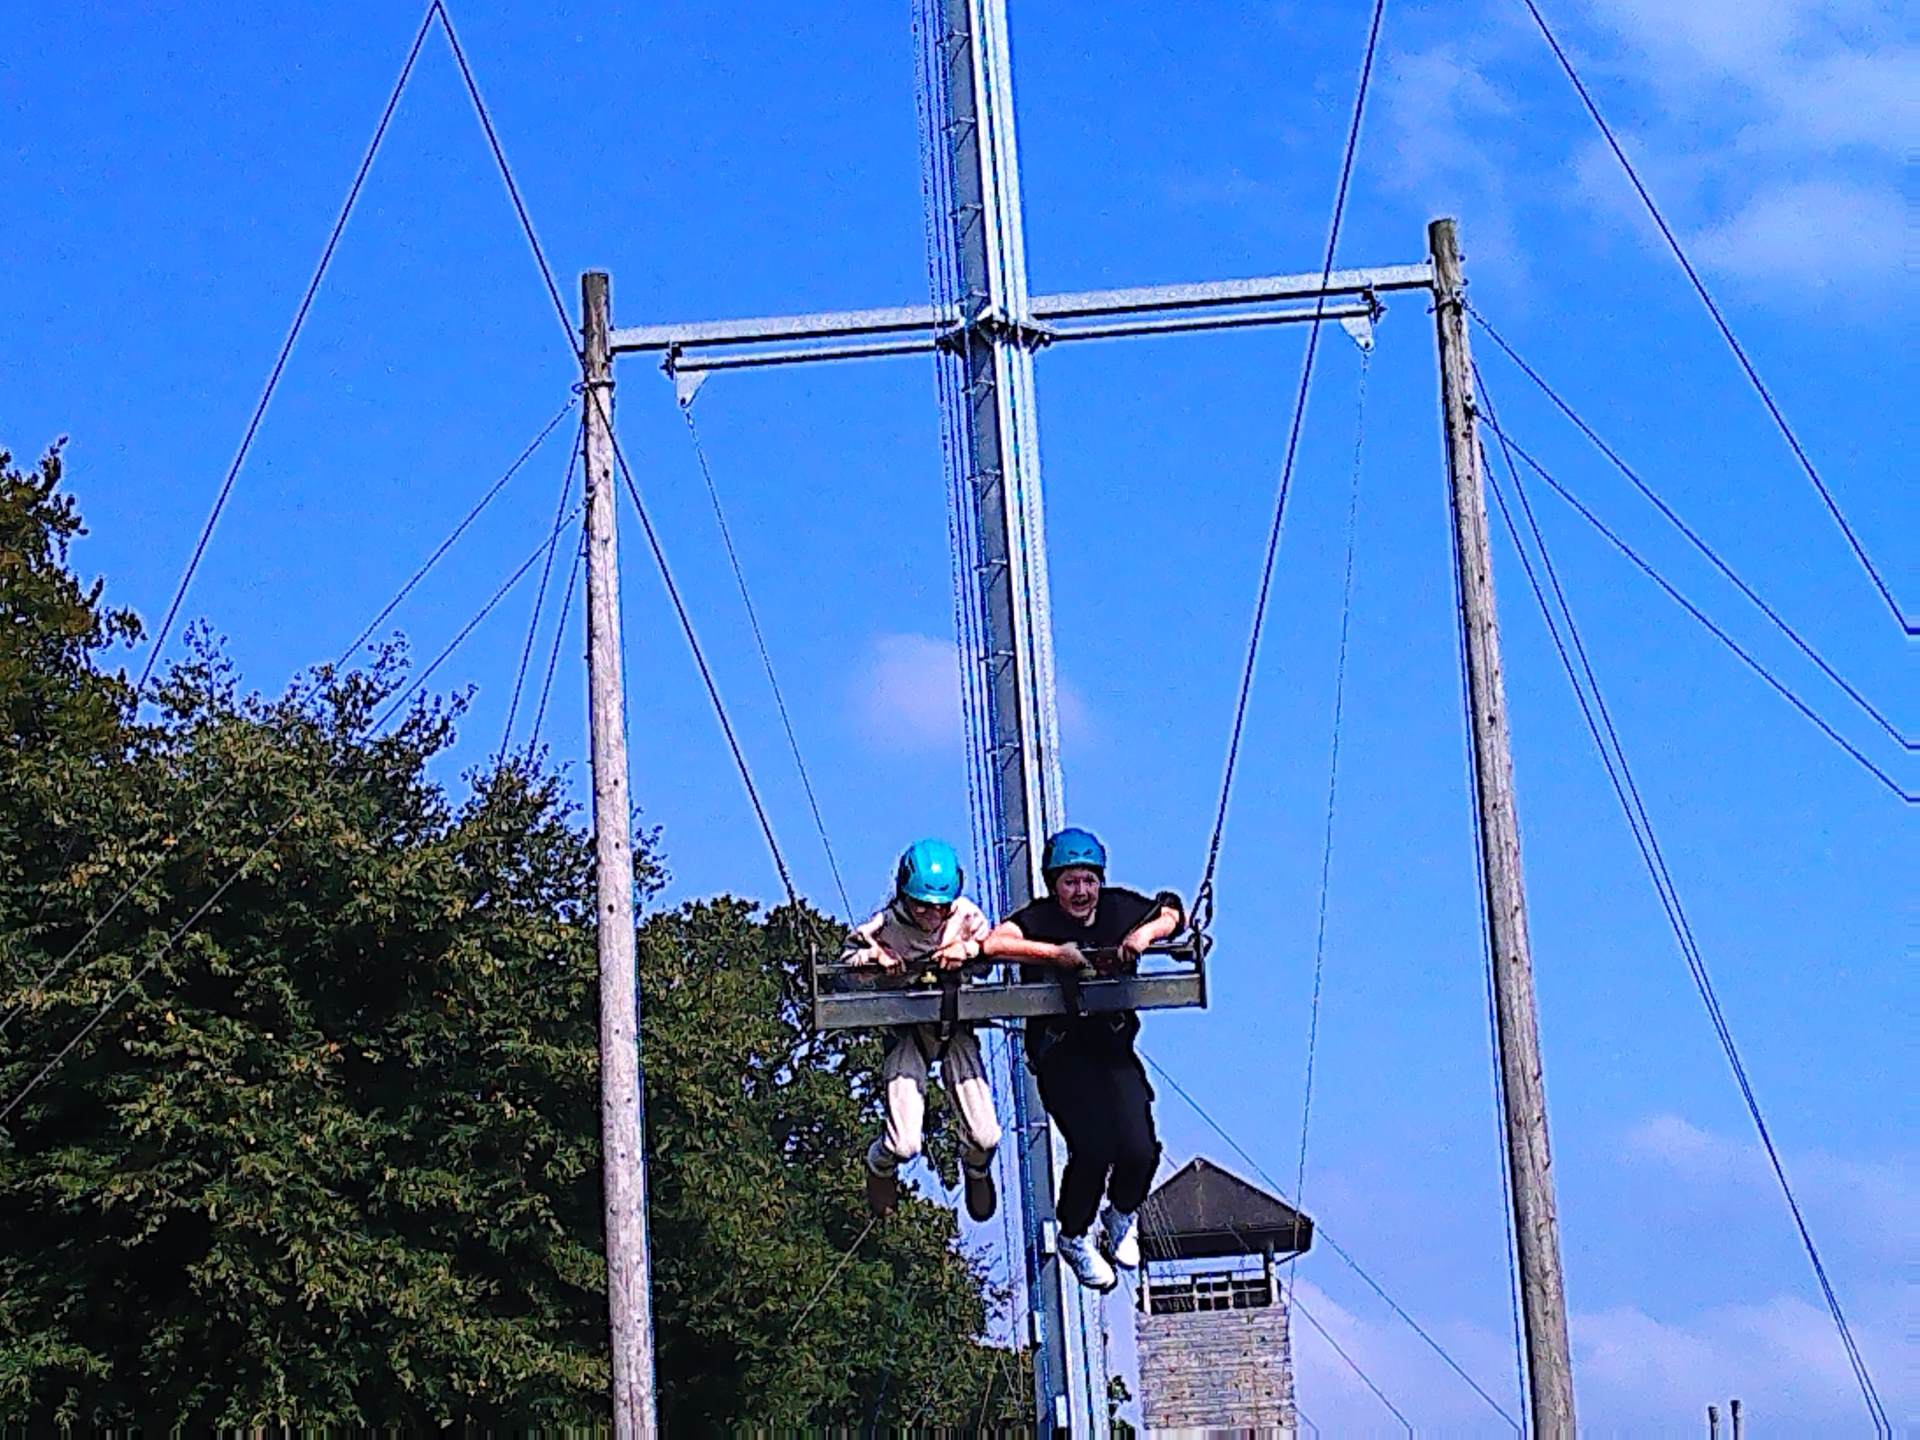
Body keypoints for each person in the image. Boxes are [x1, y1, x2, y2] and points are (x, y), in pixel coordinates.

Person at [982, 827, 1183, 1292]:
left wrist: (1144, 935)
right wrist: (1053, 955)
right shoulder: (1040, 918)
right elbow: (994, 943)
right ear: (1054, 885)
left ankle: (1121, 1213)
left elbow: (1172, 912)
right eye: (1070, 882)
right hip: (1062, 1054)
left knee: (1140, 1148)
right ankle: (1074, 1234)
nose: (1081, 892)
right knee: (1093, 1148)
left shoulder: (1117, 909)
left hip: (1112, 1048)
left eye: (1088, 881)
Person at [842, 838, 1003, 1223]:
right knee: (905, 1143)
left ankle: (976, 1168)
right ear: (905, 895)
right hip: (907, 1029)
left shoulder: (966, 917)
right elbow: (846, 965)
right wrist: (875, 957)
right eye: (922, 905)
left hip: (954, 1025)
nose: (932, 915)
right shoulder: (886, 924)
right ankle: (880, 1166)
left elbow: (991, 953)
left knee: (986, 1135)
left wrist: (969, 951)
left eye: (940, 906)